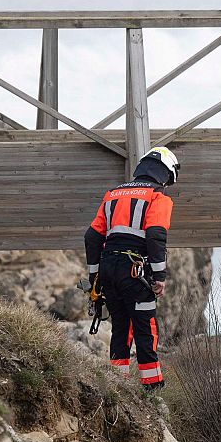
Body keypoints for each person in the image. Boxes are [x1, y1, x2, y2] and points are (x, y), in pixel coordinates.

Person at [83, 146, 179, 390]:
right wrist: (159, 276)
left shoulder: (113, 194)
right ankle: (153, 388)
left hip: (108, 269)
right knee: (145, 328)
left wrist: (95, 276)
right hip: (134, 270)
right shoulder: (158, 196)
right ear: (165, 174)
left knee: (120, 327)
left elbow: (92, 237)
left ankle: (118, 386)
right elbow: (155, 234)